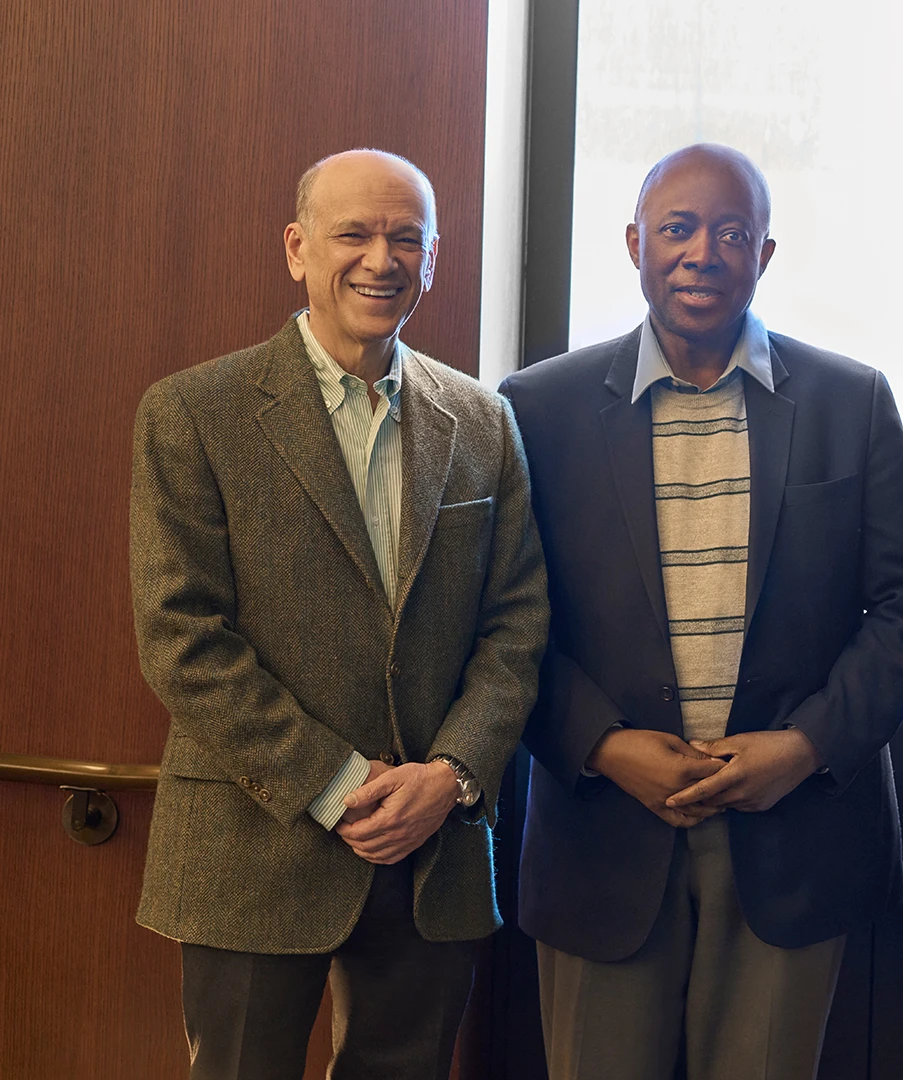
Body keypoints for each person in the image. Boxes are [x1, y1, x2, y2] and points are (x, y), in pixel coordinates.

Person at [502, 143, 903, 1080]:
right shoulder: (536, 410)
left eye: (731, 233)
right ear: (633, 244)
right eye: (677, 229)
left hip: (794, 834)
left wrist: (805, 747)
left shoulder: (851, 402)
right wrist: (607, 746)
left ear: (765, 255)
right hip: (603, 833)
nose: (704, 252)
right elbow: (502, 625)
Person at [128, 148, 549, 1080]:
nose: (380, 258)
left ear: (433, 259)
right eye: (352, 233)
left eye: (406, 237)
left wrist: (450, 773)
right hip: (255, 838)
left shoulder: (483, 421)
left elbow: (516, 626)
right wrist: (338, 781)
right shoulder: (195, 412)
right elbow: (180, 636)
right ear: (296, 248)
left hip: (433, 845)